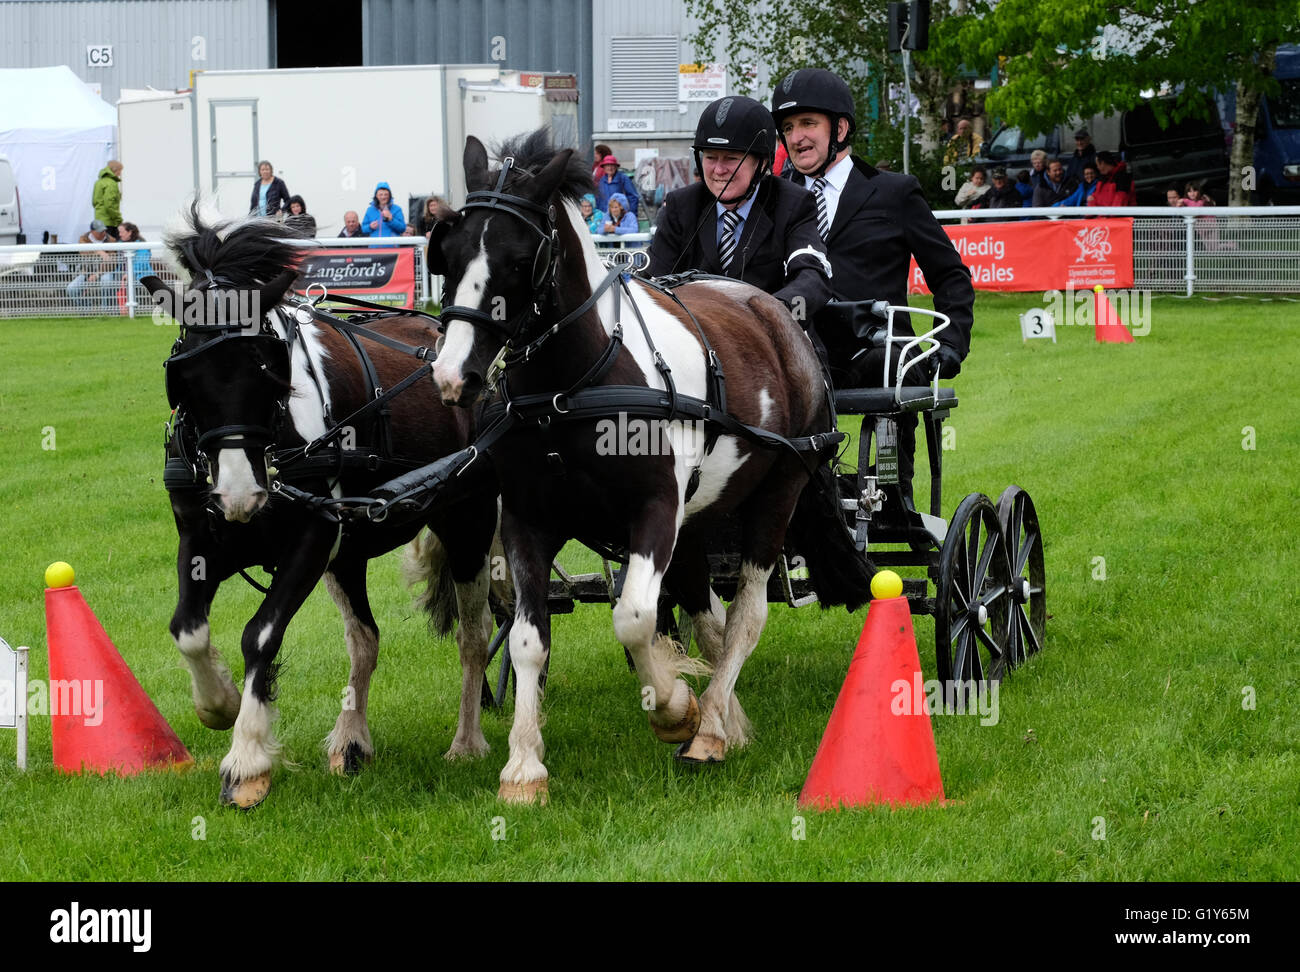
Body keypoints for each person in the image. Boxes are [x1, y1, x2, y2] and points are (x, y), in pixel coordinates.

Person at [771, 67, 974, 510]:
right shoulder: (776, 199)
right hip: (799, 350)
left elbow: (950, 276)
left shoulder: (893, 192)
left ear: (840, 128)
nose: (796, 137)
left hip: (877, 353)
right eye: (787, 128)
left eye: (808, 123)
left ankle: (885, 495)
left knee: (886, 364)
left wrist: (951, 344)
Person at [645, 93, 831, 317]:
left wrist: (776, 314)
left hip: (770, 339)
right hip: (695, 338)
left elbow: (812, 277)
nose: (718, 170)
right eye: (711, 157)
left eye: (732, 158)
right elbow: (651, 282)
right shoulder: (680, 205)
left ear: (762, 163)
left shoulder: (794, 203)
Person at [65, 220, 119, 310]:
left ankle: (106, 311)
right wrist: (98, 251)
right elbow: (83, 252)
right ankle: (87, 310)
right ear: (92, 232)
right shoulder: (83, 239)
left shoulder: (111, 240)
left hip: (104, 272)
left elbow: (111, 263)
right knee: (71, 288)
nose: (104, 233)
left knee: (107, 282)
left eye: (104, 230)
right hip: (86, 273)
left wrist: (97, 274)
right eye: (100, 231)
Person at [93, 161, 123, 240]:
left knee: (102, 245)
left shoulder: (98, 182)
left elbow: (94, 202)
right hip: (110, 222)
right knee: (112, 248)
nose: (120, 174)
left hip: (99, 221)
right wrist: (118, 219)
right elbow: (109, 205)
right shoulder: (111, 183)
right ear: (115, 170)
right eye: (120, 171)